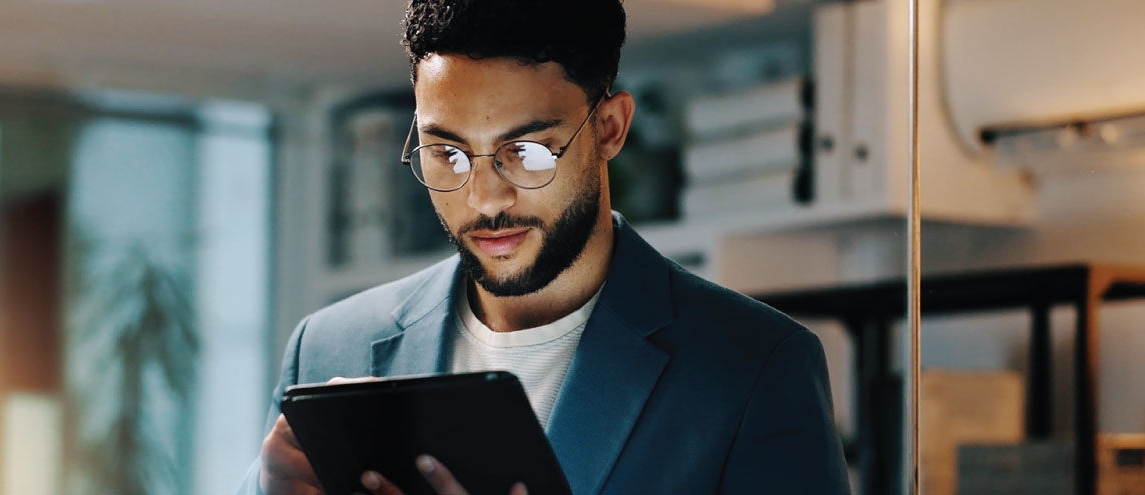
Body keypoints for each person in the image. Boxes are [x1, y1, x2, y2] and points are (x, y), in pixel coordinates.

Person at [241, 0, 849, 493]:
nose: (483, 199)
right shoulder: (328, 347)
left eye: (526, 152)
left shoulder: (752, 368)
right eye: (446, 153)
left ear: (610, 128)